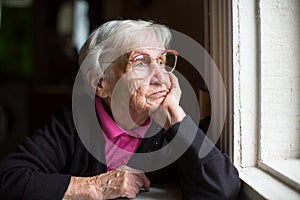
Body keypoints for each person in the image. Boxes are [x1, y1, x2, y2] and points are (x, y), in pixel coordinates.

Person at [0, 19, 241, 200]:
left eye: (161, 61)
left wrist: (174, 117)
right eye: (140, 62)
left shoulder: (172, 127)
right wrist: (97, 187)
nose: (161, 77)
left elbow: (223, 189)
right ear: (100, 82)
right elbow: (8, 179)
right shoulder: (73, 123)